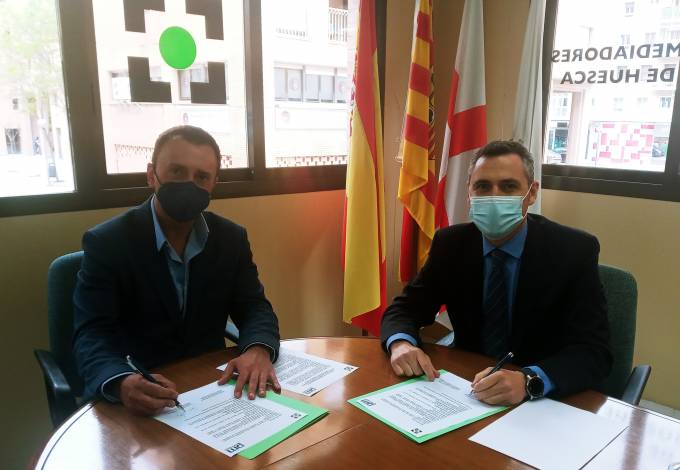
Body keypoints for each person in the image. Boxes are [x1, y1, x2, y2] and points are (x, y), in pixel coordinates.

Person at [381, 140, 612, 405]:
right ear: (469, 192)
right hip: (469, 390)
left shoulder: (573, 250)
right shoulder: (451, 244)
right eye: (482, 186)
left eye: (509, 186)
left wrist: (529, 380)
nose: (494, 196)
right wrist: (401, 343)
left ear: (532, 193)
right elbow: (405, 309)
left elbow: (595, 352)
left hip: (543, 402)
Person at [73, 125, 281, 415]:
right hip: (139, 393)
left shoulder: (231, 238)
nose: (188, 184)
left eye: (201, 177)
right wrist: (120, 381)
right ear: (151, 175)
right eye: (177, 171)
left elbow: (254, 307)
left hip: (211, 389)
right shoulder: (108, 242)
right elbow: (92, 333)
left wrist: (258, 349)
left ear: (214, 184)